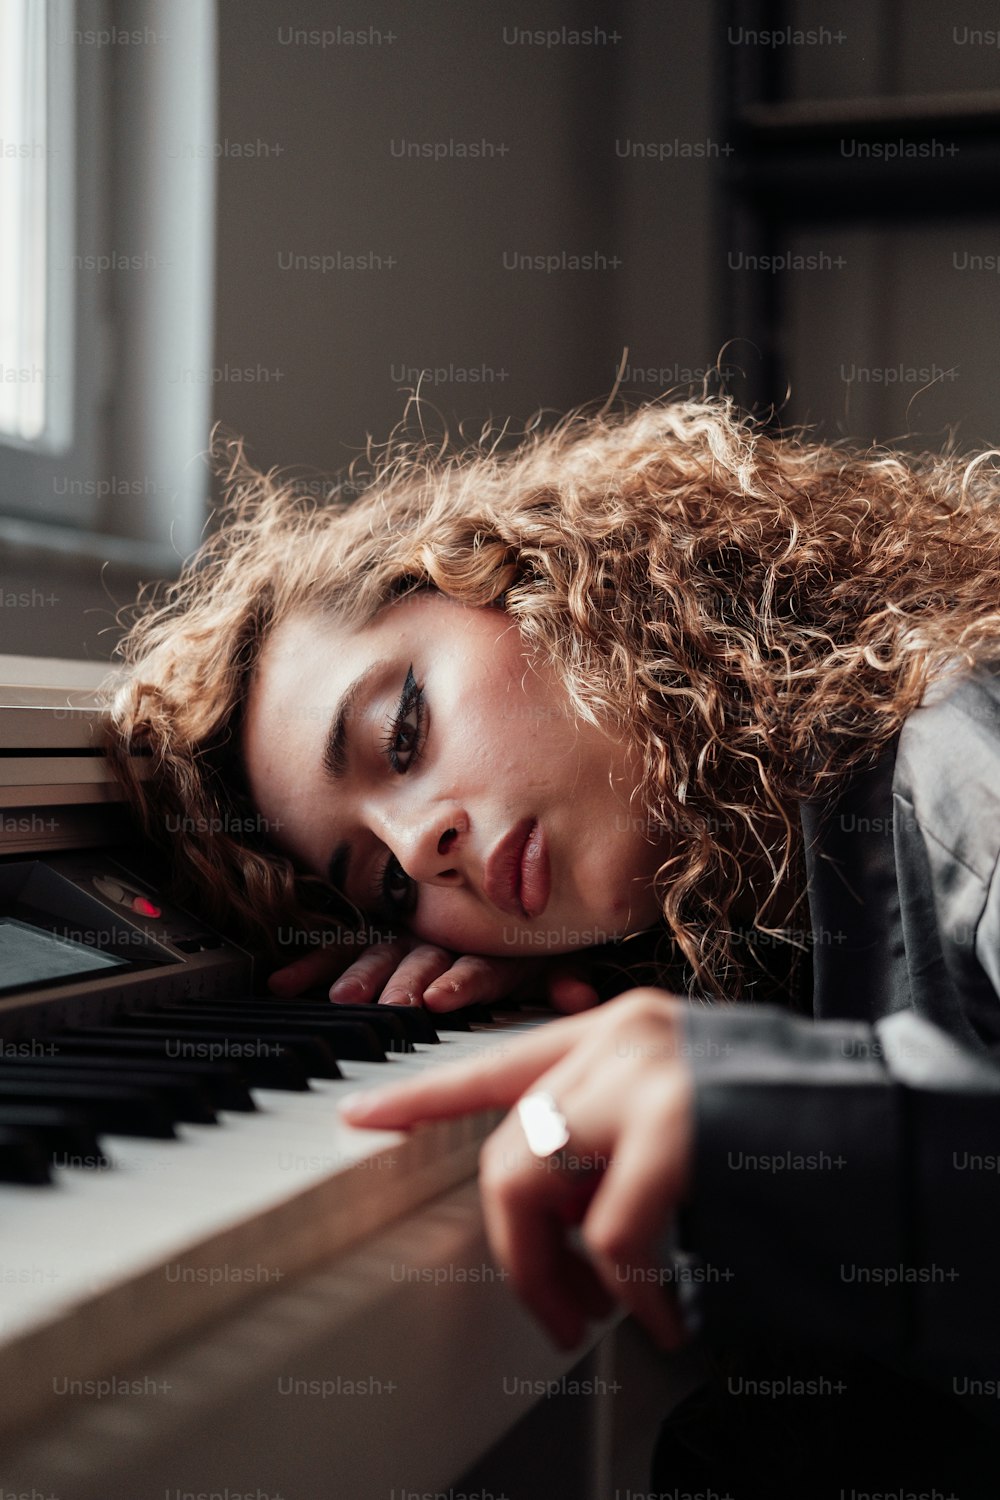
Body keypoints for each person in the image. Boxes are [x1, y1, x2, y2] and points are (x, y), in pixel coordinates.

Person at [107, 394, 1000, 1494]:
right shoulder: (762, 888)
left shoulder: (963, 755)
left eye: (400, 733)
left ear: (536, 581)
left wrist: (787, 1109)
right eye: (385, 885)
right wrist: (628, 963)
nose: (421, 844)